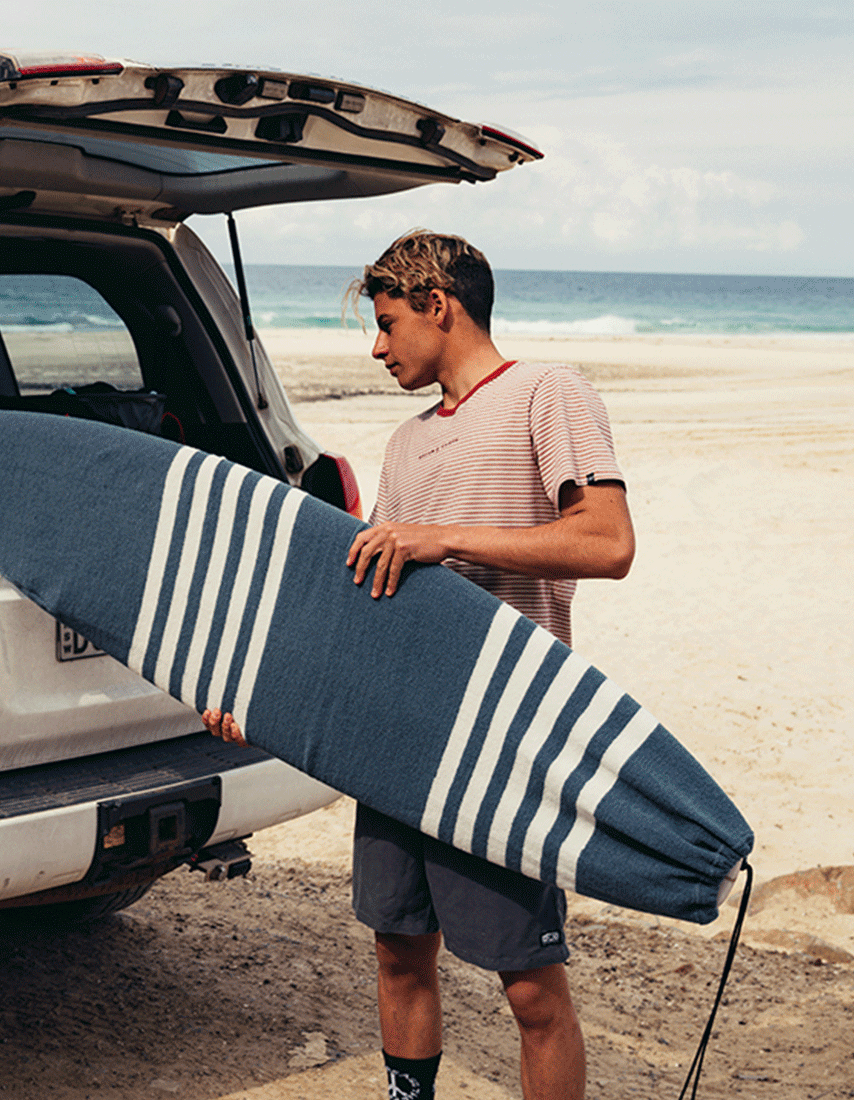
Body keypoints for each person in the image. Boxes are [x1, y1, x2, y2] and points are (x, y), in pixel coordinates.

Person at [204, 230, 635, 1100]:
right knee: (399, 949)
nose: (376, 345)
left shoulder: (547, 395)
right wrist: (269, 698)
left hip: (504, 732)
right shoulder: (406, 445)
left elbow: (608, 541)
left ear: (440, 305)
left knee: (529, 984)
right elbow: (374, 605)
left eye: (388, 322)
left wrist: (443, 540)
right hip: (402, 732)